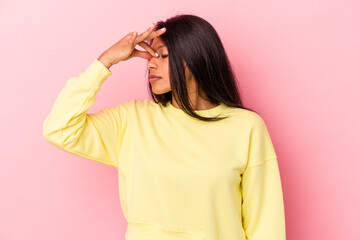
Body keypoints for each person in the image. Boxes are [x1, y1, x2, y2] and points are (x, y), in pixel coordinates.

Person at [43, 14, 286, 240]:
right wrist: (105, 61)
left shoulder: (246, 128)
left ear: (193, 58)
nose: (149, 64)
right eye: (150, 56)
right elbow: (59, 129)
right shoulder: (133, 120)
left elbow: (266, 226)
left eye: (162, 55)